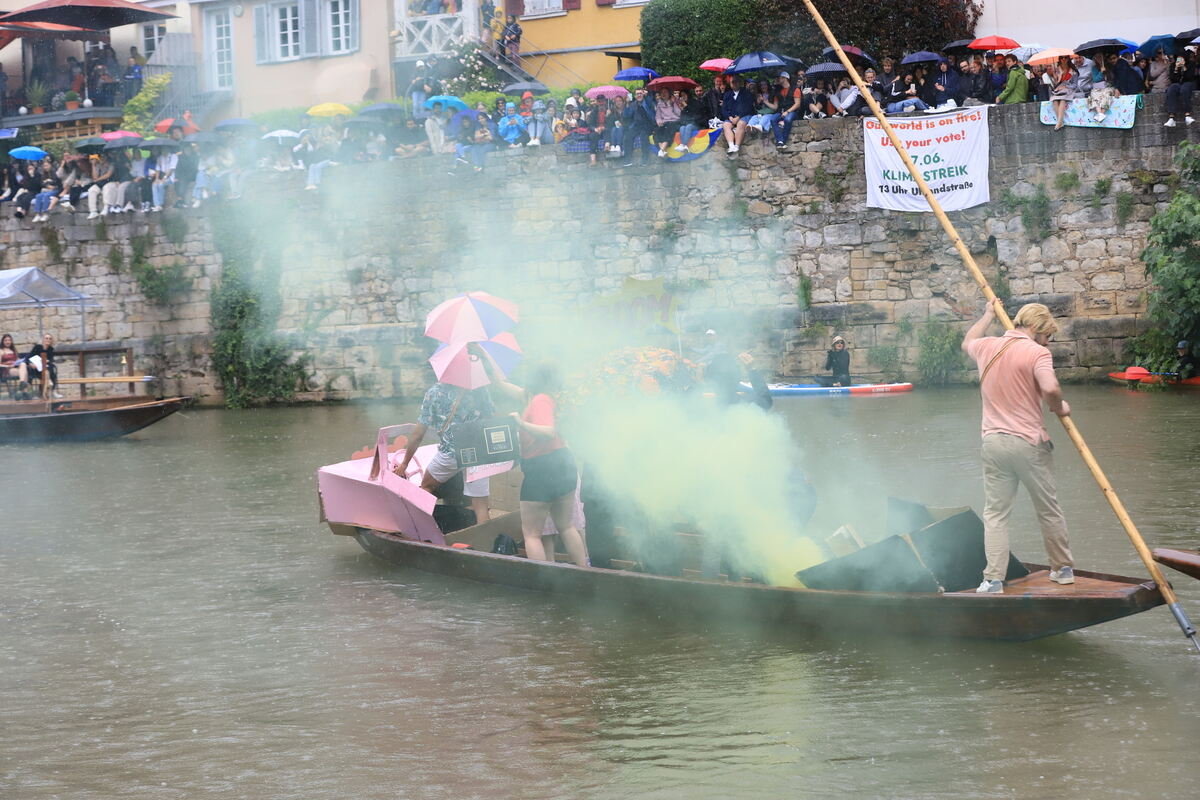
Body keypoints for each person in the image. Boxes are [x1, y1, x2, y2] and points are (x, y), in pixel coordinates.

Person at [962, 300, 1073, 594]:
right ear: (1034, 327)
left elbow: (968, 341)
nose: (1048, 341)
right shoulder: (1037, 353)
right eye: (1047, 334)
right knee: (1048, 510)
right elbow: (1050, 388)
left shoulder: (987, 346)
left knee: (995, 515)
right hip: (1029, 443)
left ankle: (993, 580)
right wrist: (1059, 407)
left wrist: (987, 315)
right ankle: (1062, 569)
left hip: (993, 444)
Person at [484, 360, 588, 567]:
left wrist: (520, 423)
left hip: (542, 468)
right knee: (566, 526)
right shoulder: (550, 398)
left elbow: (548, 432)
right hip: (563, 465)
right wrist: (484, 358)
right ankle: (585, 573)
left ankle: (543, 580)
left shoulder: (540, 400)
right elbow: (500, 384)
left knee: (532, 534)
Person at [393, 380, 496, 527]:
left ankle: (423, 528)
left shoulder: (435, 392)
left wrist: (404, 463)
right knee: (481, 505)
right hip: (480, 452)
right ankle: (484, 538)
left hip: (452, 452)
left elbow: (417, 435)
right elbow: (492, 419)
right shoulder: (480, 388)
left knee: (426, 486)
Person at [721, 74, 754, 156]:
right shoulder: (727, 94)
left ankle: (737, 146)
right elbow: (724, 109)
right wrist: (729, 117)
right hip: (731, 117)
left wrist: (738, 117)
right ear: (730, 84)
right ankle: (731, 146)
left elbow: (748, 107)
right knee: (725, 125)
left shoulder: (746, 93)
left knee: (741, 124)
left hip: (744, 115)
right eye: (732, 82)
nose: (735, 83)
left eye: (736, 81)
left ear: (740, 82)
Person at [1164, 52, 1198, 127]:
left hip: (1188, 83)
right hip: (1178, 84)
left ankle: (1187, 115)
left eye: (1181, 58)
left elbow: (1190, 77)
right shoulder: (1173, 65)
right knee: (1171, 89)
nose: (1179, 59)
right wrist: (1176, 69)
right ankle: (1171, 118)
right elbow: (1173, 80)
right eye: (1178, 58)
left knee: (1184, 89)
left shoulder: (1191, 64)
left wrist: (1184, 67)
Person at [25, 332, 60, 397]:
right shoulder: (37, 347)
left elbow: (51, 360)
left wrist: (46, 361)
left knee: (50, 369)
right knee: (47, 371)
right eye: (46, 338)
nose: (48, 340)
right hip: (36, 368)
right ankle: (50, 387)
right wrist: (30, 364)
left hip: (46, 367)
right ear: (43, 339)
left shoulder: (51, 349)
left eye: (50, 338)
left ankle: (51, 390)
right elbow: (29, 357)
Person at [0, 332, 29, 396]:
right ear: (3, 341)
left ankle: (22, 383)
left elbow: (18, 360)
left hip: (16, 367)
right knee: (25, 373)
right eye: (6, 340)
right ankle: (24, 392)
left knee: (23, 364)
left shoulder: (13, 350)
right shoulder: (1, 351)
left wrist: (20, 361)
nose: (8, 342)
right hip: (7, 370)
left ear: (11, 341)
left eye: (9, 340)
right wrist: (8, 366)